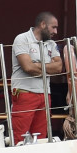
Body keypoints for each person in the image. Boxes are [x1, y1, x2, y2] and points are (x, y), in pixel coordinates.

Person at [10, 12, 62, 143]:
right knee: (19, 137)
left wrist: (36, 65)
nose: (56, 31)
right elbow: (27, 67)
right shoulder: (22, 39)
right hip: (25, 93)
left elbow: (59, 68)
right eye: (53, 27)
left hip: (45, 94)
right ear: (43, 24)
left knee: (41, 138)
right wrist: (48, 67)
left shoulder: (51, 43)